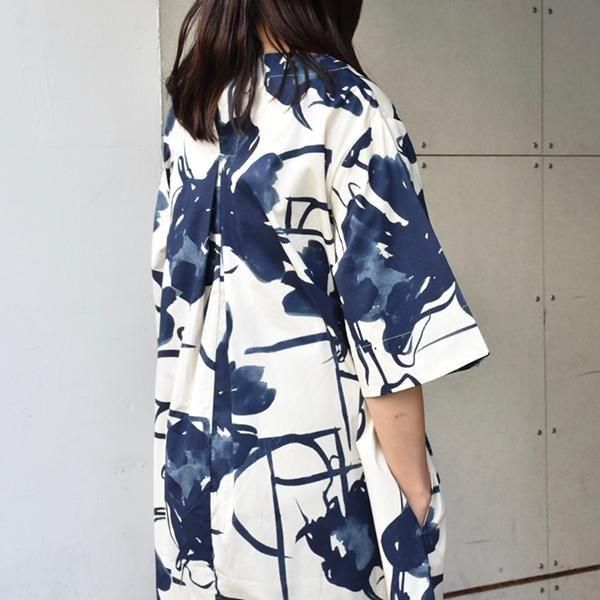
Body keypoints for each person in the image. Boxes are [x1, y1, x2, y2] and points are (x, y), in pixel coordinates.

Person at [150, 1, 491, 598]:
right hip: (317, 474)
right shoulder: (349, 111)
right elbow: (391, 336)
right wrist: (415, 496)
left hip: (191, 468)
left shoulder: (192, 115)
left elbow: (171, 283)